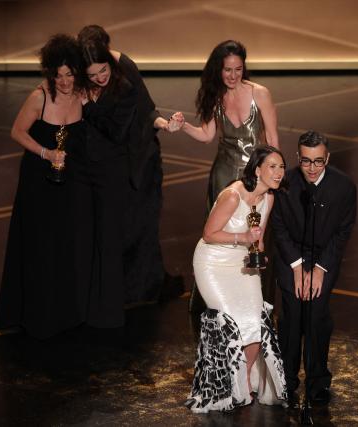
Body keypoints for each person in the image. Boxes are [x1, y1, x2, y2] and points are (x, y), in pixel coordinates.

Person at [169, 40, 280, 310]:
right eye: (227, 70)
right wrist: (184, 126)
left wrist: (273, 174)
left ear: (244, 68)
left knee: (255, 233)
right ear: (218, 70)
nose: (232, 76)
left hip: (255, 175)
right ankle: (218, 297)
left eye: (238, 69)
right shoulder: (214, 96)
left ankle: (255, 299)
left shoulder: (260, 94)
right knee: (222, 233)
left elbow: (273, 138)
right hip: (224, 175)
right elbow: (207, 135)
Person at [77, 25, 183, 304]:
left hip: (139, 159)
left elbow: (146, 108)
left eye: (103, 69)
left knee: (140, 224)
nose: (100, 77)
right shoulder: (81, 76)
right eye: (93, 73)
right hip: (106, 164)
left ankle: (143, 286)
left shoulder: (123, 67)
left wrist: (164, 124)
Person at [0, 34, 86, 339]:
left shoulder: (84, 96)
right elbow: (17, 132)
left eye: (69, 74)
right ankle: (35, 313)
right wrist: (47, 153)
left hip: (71, 181)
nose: (63, 82)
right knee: (39, 244)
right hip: (38, 179)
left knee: (67, 244)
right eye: (57, 75)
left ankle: (67, 310)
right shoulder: (39, 97)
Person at [186, 146, 287, 413]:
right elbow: (209, 234)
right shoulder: (233, 196)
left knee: (254, 321)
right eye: (272, 167)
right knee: (230, 323)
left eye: (281, 167)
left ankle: (242, 380)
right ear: (258, 170)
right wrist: (242, 239)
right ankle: (224, 385)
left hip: (244, 262)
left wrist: (259, 255)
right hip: (214, 263)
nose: (278, 173)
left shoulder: (270, 198)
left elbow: (259, 236)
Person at [271, 131, 357, 405]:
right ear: (298, 157)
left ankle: (318, 380)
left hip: (324, 256)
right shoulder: (285, 184)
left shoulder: (344, 187)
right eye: (306, 161)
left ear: (327, 158)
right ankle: (286, 380)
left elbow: (343, 231)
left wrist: (320, 268)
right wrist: (297, 266)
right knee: (292, 315)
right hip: (291, 256)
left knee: (317, 315)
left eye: (318, 162)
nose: (311, 168)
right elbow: (279, 226)